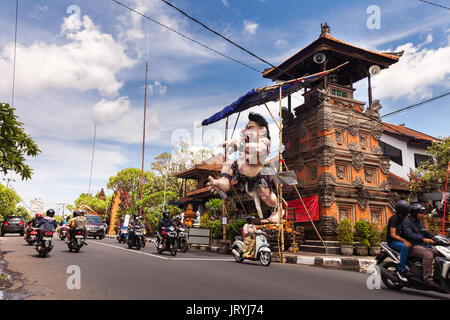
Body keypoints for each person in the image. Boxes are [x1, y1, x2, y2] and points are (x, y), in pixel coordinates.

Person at [207, 113, 281, 224]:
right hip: (244, 174)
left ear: (262, 129)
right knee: (228, 163)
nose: (247, 129)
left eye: (250, 127)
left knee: (265, 195)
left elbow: (259, 150)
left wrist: (239, 145)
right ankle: (224, 181)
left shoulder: (263, 141)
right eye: (246, 127)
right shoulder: (245, 143)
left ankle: (277, 209)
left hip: (258, 173)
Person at [402, 203, 439, 288]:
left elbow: (426, 232)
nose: (423, 215)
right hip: (411, 246)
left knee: (438, 251)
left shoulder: (420, 222)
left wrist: (437, 237)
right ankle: (428, 279)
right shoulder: (406, 222)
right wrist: (423, 239)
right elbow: (409, 234)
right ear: (415, 213)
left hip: (422, 245)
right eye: (421, 213)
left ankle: (437, 276)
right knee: (428, 254)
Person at [386, 200, 411, 282]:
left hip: (401, 240)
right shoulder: (393, 219)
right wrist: (405, 241)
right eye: (407, 212)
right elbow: (393, 234)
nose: (408, 214)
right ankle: (401, 270)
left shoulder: (405, 219)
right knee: (405, 247)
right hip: (393, 242)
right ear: (402, 212)